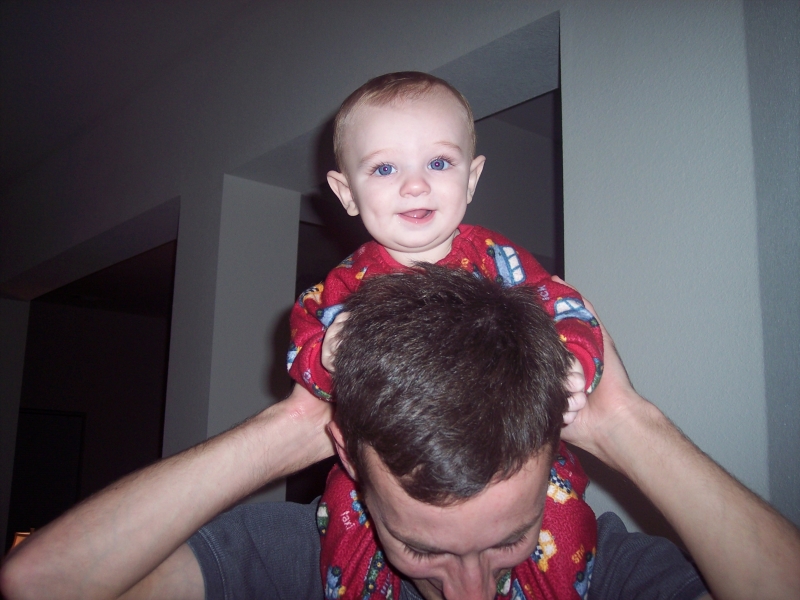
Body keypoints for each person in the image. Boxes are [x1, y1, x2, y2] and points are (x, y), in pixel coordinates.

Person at [1, 268, 799, 599]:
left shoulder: (592, 567)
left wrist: (628, 425)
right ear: (349, 463)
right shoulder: (302, 559)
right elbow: (40, 584)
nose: (471, 592)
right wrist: (295, 424)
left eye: (509, 540)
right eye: (422, 548)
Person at [287, 72, 603, 421]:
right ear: (348, 194)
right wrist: (326, 358)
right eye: (385, 168)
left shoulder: (497, 258)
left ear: (470, 180)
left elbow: (564, 308)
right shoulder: (343, 288)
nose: (415, 185)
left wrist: (570, 362)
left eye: (438, 163)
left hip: (503, 432)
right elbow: (303, 355)